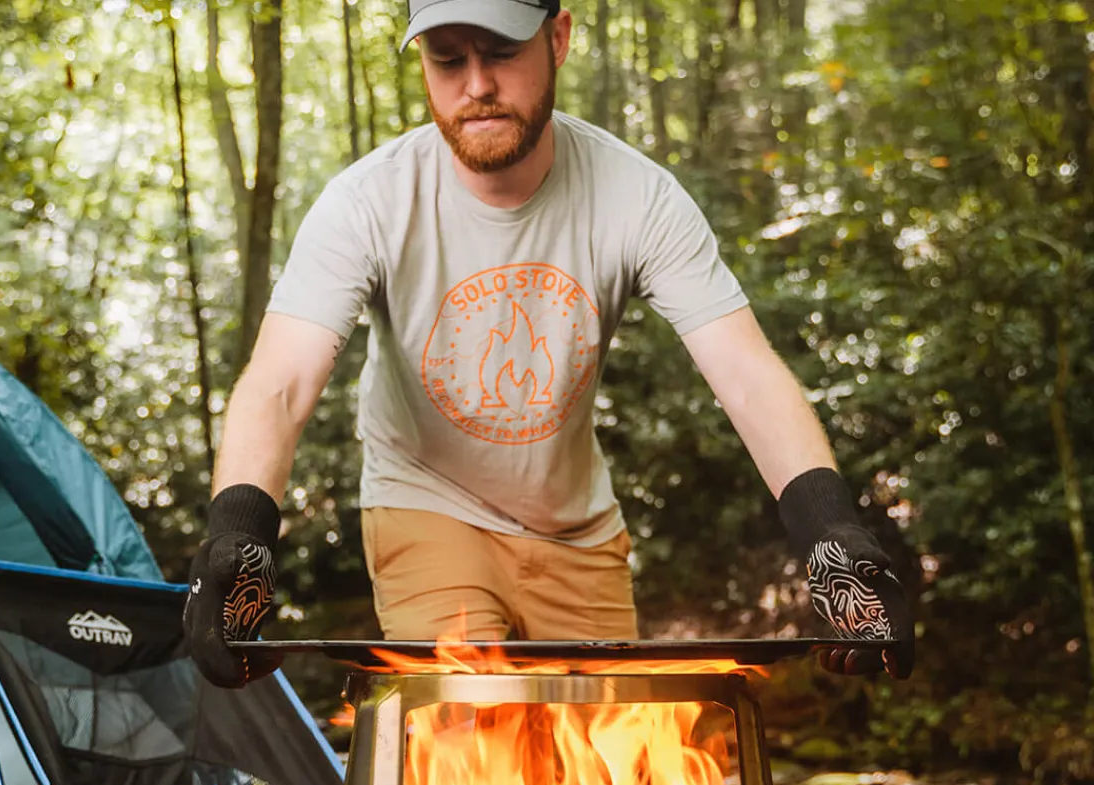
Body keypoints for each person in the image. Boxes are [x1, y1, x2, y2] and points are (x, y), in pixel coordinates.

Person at [183, 0, 913, 687]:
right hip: (427, 503)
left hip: (579, 533)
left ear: (557, 39)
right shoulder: (367, 203)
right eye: (447, 60)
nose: (476, 85)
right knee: (468, 753)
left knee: (612, 778)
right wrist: (237, 534)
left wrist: (832, 532)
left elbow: (747, 375)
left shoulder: (639, 199)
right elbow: (280, 382)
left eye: (501, 51)